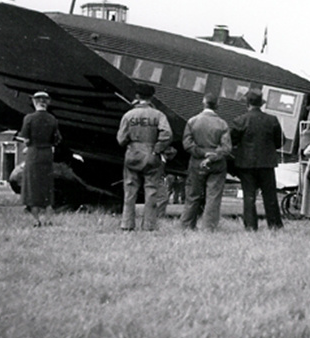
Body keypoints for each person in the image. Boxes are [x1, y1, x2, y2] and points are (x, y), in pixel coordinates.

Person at [116, 83, 172, 231]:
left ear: (137, 96)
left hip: (133, 153)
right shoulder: (159, 115)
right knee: (151, 191)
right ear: (152, 97)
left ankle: (127, 224)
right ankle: (149, 225)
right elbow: (167, 135)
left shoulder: (128, 115)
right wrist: (157, 149)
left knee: (129, 191)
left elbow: (121, 139)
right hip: (151, 154)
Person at [231, 91, 284, 231]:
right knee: (270, 195)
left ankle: (250, 226)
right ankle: (275, 225)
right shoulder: (272, 120)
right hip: (267, 163)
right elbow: (279, 143)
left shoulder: (240, 120)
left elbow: (232, 141)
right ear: (261, 103)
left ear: (247, 103)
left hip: (246, 164)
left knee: (249, 196)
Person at [180, 92, 232, 231]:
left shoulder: (192, 121)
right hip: (217, 164)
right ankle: (208, 228)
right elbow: (226, 148)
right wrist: (212, 157)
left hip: (196, 162)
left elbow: (187, 144)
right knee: (213, 196)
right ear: (217, 105)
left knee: (192, 195)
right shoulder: (222, 124)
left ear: (204, 102)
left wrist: (202, 153)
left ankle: (186, 226)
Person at [18, 92, 62, 227]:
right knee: (47, 186)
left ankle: (36, 220)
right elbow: (57, 139)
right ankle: (48, 219)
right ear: (46, 103)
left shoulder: (29, 118)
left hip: (33, 154)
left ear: (35, 103)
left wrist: (28, 147)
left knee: (32, 187)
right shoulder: (53, 119)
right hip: (47, 154)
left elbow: (25, 138)